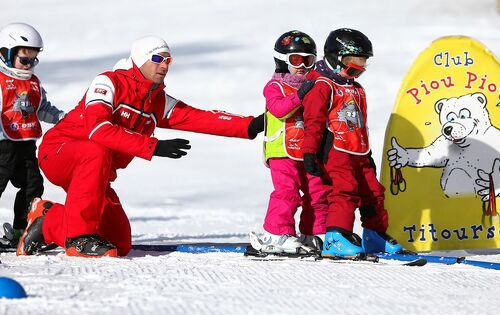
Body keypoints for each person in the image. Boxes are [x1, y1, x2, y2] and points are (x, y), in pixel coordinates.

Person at [16, 35, 264, 258]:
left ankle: (46, 221)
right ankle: (79, 239)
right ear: (140, 60)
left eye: (168, 60)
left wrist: (249, 126)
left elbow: (198, 117)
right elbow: (98, 129)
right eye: (158, 59)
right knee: (97, 148)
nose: (164, 65)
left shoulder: (156, 100)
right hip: (60, 152)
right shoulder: (109, 82)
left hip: (95, 173)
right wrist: (152, 147)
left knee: (118, 244)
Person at [301, 28, 404, 258]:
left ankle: (374, 235)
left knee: (373, 191)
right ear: (334, 57)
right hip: (334, 150)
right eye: (351, 63)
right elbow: (313, 121)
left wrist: (366, 156)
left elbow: (359, 125)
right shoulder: (322, 85)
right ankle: (336, 238)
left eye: (362, 64)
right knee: (344, 190)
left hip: (357, 151)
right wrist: (309, 152)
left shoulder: (355, 87)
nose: (357, 70)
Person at [250, 31, 327, 254]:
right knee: (287, 191)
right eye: (296, 60)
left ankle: (315, 233)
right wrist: (300, 95)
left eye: (308, 60)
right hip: (281, 150)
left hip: (307, 150)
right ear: (282, 60)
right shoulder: (275, 86)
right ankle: (277, 233)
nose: (302, 65)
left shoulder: (313, 86)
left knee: (317, 190)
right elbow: (279, 109)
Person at [0, 23, 64, 250]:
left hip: (26, 145)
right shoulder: (0, 80)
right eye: (24, 60)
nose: (29, 65)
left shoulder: (33, 82)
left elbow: (43, 108)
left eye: (33, 60)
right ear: (5, 54)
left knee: (32, 186)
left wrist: (63, 118)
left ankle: (20, 231)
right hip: (2, 145)